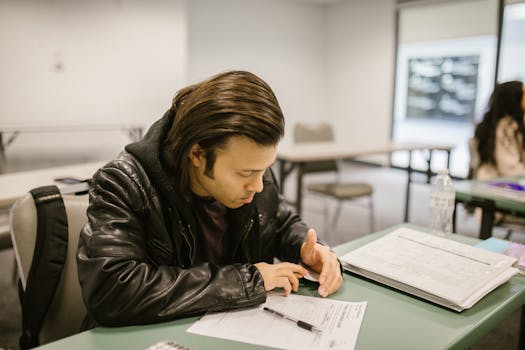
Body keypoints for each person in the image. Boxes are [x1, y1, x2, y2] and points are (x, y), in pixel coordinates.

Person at [77, 70, 343, 328]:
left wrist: (306, 249)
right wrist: (247, 280)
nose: (259, 185)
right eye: (246, 173)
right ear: (197, 154)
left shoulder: (252, 172)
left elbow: (281, 223)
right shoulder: (125, 182)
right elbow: (112, 289)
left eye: (265, 168)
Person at [474, 80, 525, 180]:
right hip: (494, 186)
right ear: (514, 99)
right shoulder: (505, 128)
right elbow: (509, 169)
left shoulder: (516, 125)